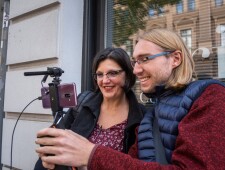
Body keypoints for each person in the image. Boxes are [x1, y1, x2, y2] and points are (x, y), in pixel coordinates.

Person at [35, 28, 225, 169]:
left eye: (145, 59)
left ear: (175, 58)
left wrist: (91, 154)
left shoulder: (209, 96)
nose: (137, 69)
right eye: (135, 61)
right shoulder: (151, 117)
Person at [34, 47, 145, 169]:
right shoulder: (83, 103)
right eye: (99, 74)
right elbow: (58, 145)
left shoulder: (142, 117)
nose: (105, 80)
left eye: (112, 73)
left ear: (128, 75)